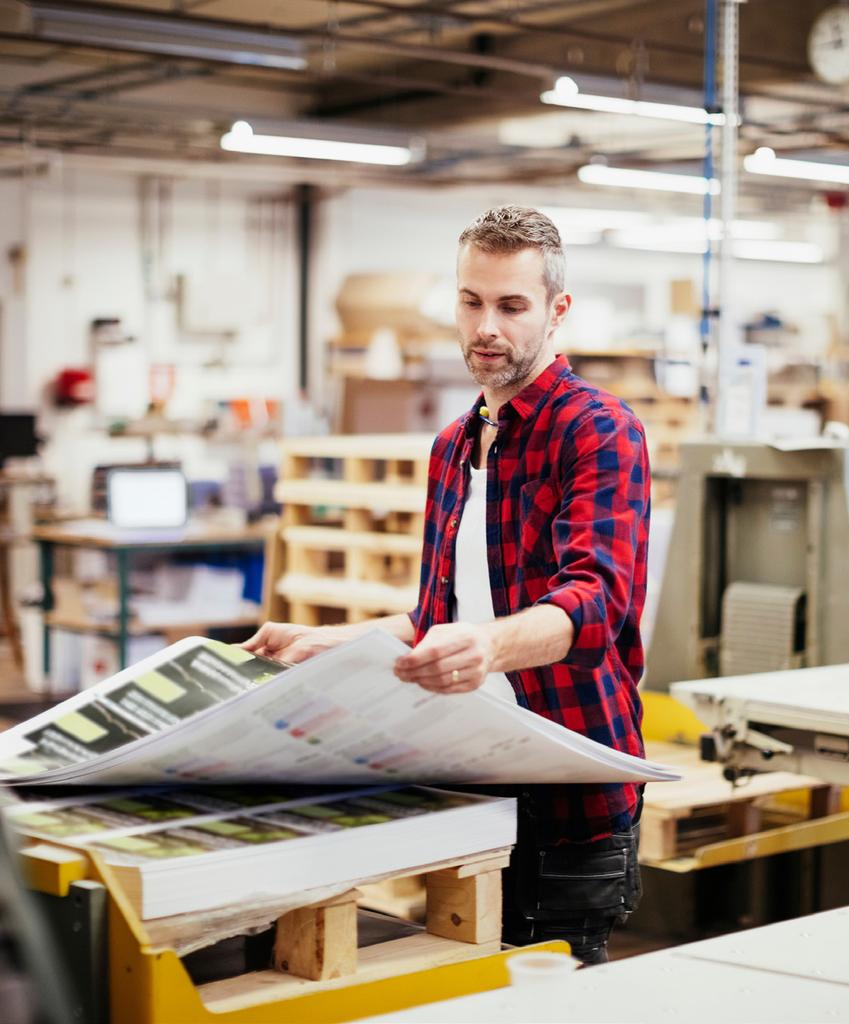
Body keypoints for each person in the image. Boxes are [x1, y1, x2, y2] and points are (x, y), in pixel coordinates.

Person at [244, 205, 650, 965]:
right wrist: (326, 639)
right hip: (469, 781)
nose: (486, 326)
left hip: (567, 794)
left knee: (552, 1001)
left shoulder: (598, 431)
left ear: (557, 311)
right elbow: (438, 616)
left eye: (511, 306)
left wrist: (487, 648)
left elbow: (595, 607)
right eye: (471, 302)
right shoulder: (453, 446)